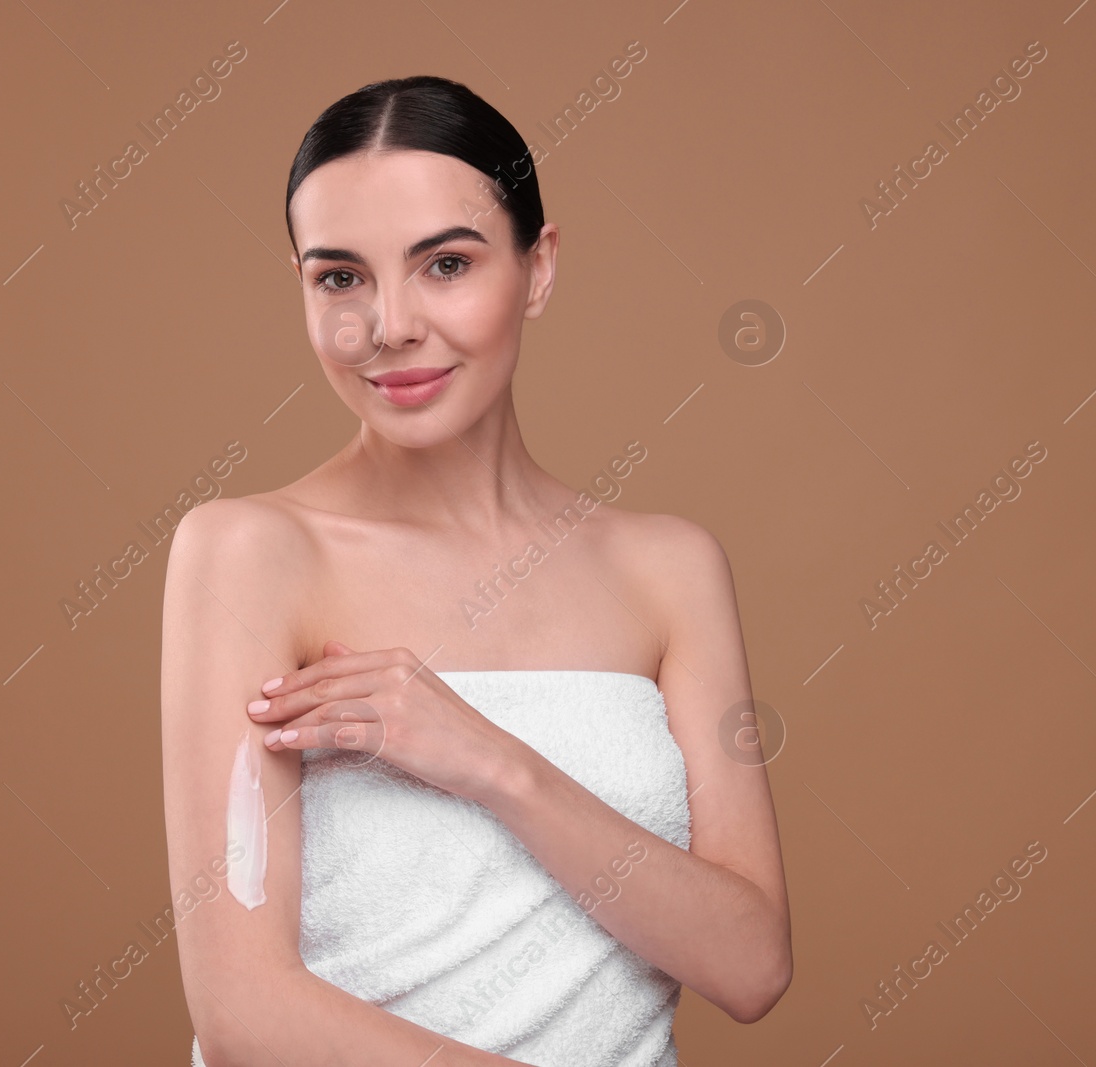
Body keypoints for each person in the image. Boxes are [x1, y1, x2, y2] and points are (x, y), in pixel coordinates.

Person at [160, 74, 791, 1067]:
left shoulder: (669, 569)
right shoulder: (251, 553)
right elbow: (244, 1010)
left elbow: (750, 962)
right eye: (339, 278)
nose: (389, 324)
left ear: (537, 267)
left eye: (444, 264)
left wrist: (490, 763)